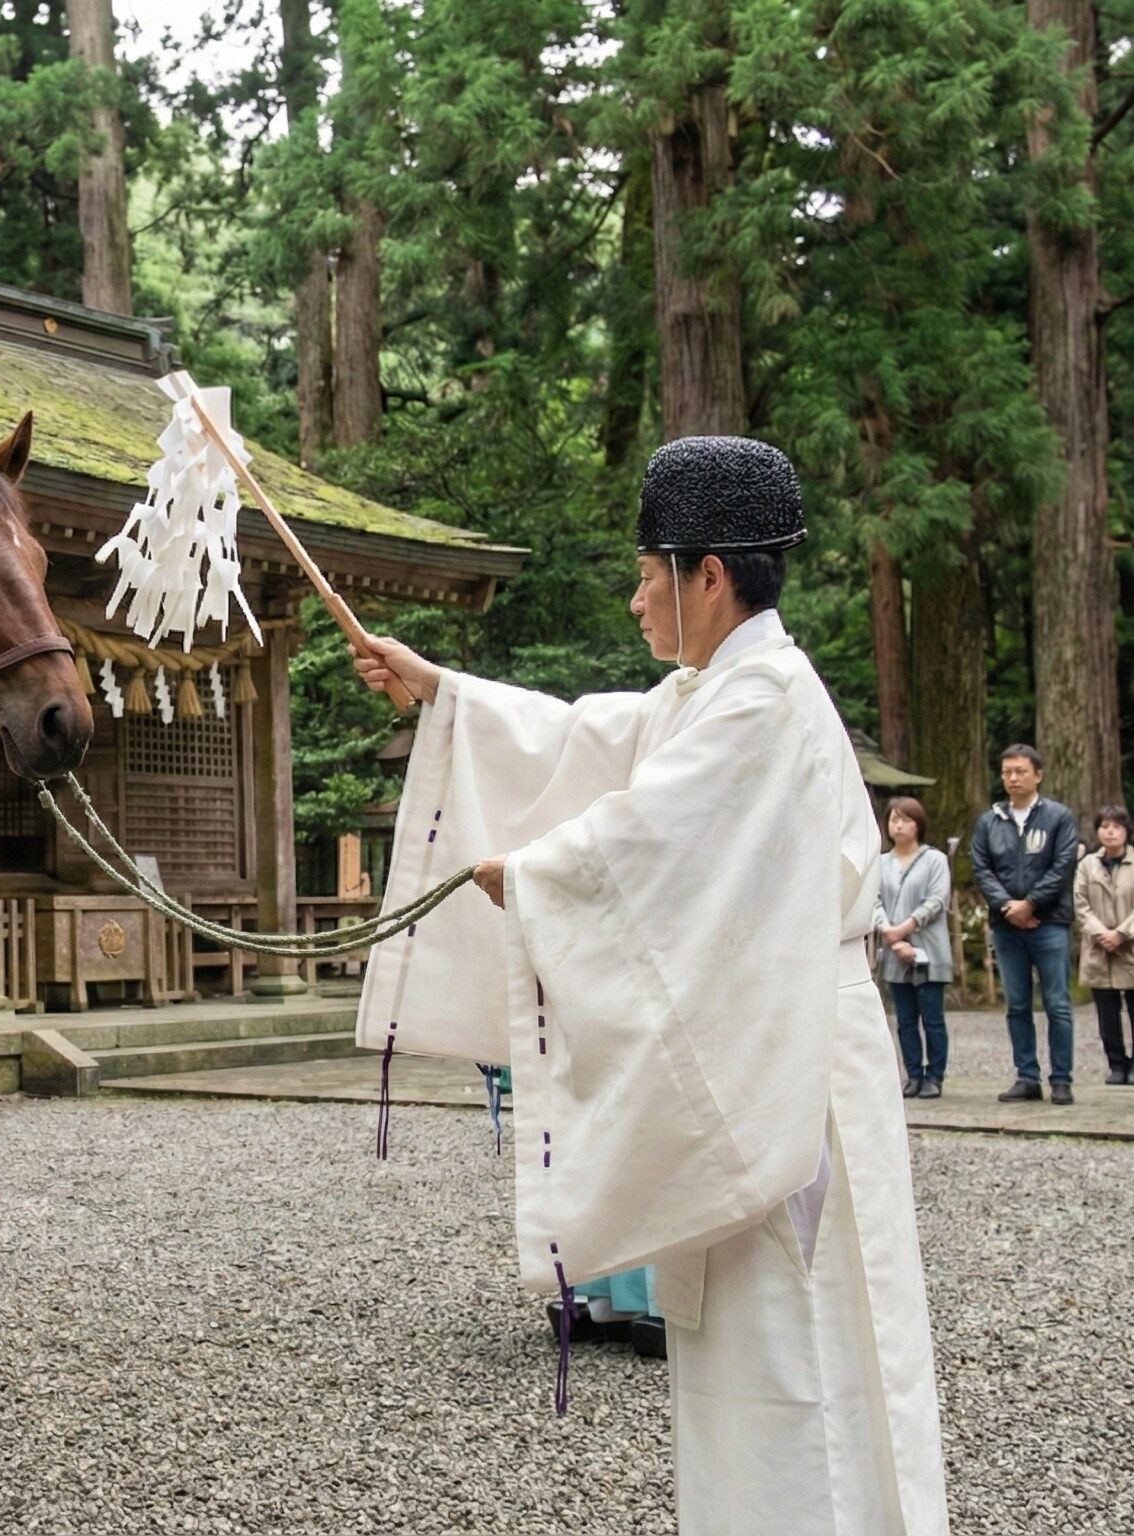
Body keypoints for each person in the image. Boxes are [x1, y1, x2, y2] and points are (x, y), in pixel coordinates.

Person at [351, 435, 947, 1535]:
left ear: (706, 575)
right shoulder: (711, 693)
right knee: (751, 1354)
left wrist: (526, 873)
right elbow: (592, 738)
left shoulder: (762, 698)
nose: (634, 600)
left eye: (644, 572)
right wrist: (443, 690)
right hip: (758, 1042)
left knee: (801, 1347)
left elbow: (649, 834)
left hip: (790, 1057)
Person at [969, 746, 1081, 1104]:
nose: (1013, 778)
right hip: (1006, 925)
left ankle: (1061, 1078)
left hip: (1050, 922)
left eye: (1019, 771)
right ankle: (1026, 1075)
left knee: (1057, 1004)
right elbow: (982, 868)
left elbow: (1063, 866)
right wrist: (1007, 906)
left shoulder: (1058, 817)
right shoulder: (990, 821)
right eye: (1006, 772)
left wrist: (1031, 903)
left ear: (1038, 775)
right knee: (1017, 1004)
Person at [1073, 806, 1134, 1085]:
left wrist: (1122, 934)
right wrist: (1102, 933)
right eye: (1104, 826)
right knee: (1106, 1012)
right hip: (1099, 946)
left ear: (1128, 831)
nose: (1110, 831)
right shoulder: (1087, 865)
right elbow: (1081, 905)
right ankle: (1116, 1064)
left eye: (1116, 826)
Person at [873, 796, 953, 1098]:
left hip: (928, 948)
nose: (899, 824)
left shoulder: (934, 859)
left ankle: (935, 1075)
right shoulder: (880, 863)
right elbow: (873, 900)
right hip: (894, 951)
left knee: (932, 1017)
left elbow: (936, 900)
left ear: (918, 824)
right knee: (905, 1019)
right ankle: (912, 1074)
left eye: (906, 819)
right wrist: (888, 932)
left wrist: (904, 929)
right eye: (894, 819)